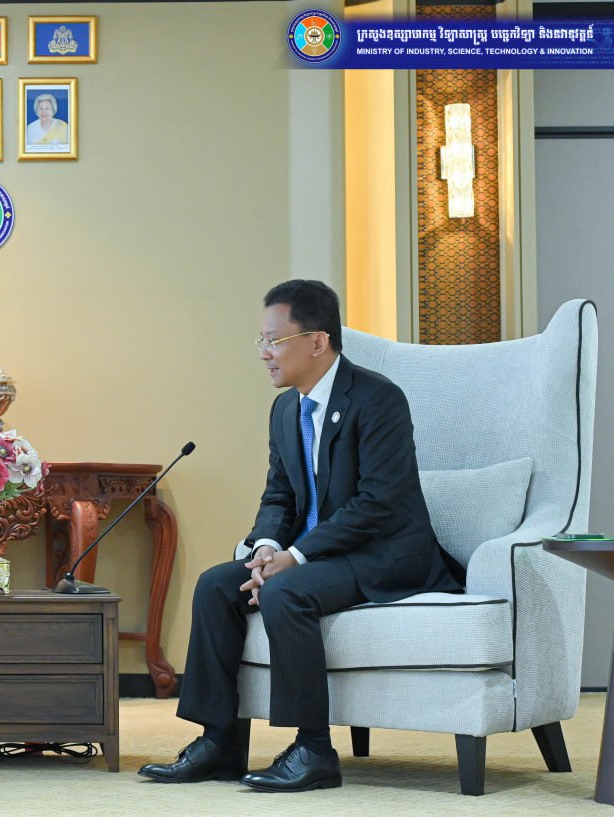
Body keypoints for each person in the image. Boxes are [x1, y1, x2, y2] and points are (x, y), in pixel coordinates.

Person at [138, 279, 459, 792]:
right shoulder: (286, 409)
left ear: (317, 341)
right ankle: (220, 742)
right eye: (261, 341)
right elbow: (279, 496)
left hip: (383, 553)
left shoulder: (378, 399)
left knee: (286, 591)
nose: (264, 353)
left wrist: (296, 556)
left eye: (275, 340)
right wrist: (267, 547)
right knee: (216, 585)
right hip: (314, 554)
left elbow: (378, 502)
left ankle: (313, 750)